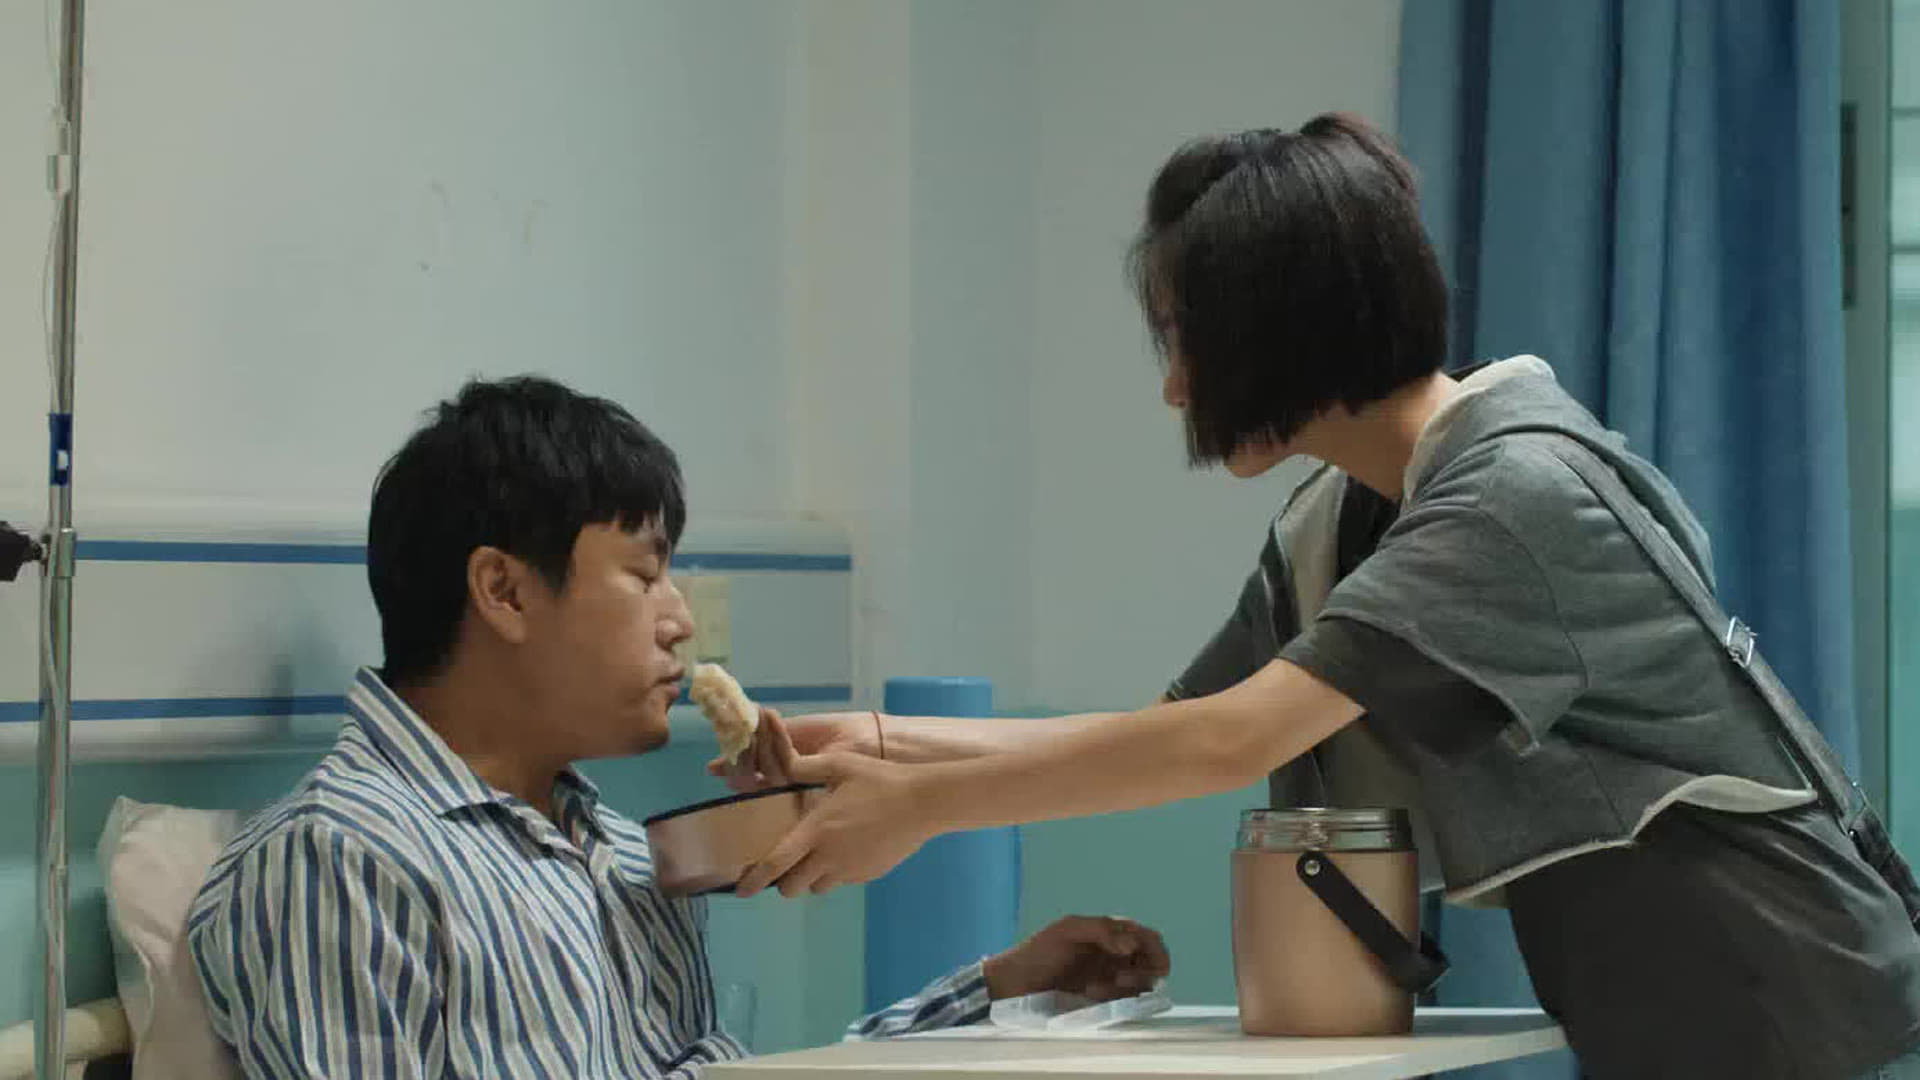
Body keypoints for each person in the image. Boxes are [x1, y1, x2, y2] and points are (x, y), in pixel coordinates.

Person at [723, 115, 1920, 1079]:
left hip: (1789, 989)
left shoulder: (1513, 497)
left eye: (1185, 342)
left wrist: (924, 806)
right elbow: (1172, 729)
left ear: (1283, 333)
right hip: (1663, 1000)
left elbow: (1229, 742)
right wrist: (872, 744)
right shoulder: (1345, 518)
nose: (1176, 390)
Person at [186, 376, 1170, 1080]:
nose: (681, 620)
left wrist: (999, 995)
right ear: (504, 591)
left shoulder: (621, 855)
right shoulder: (343, 860)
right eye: (645, 574)